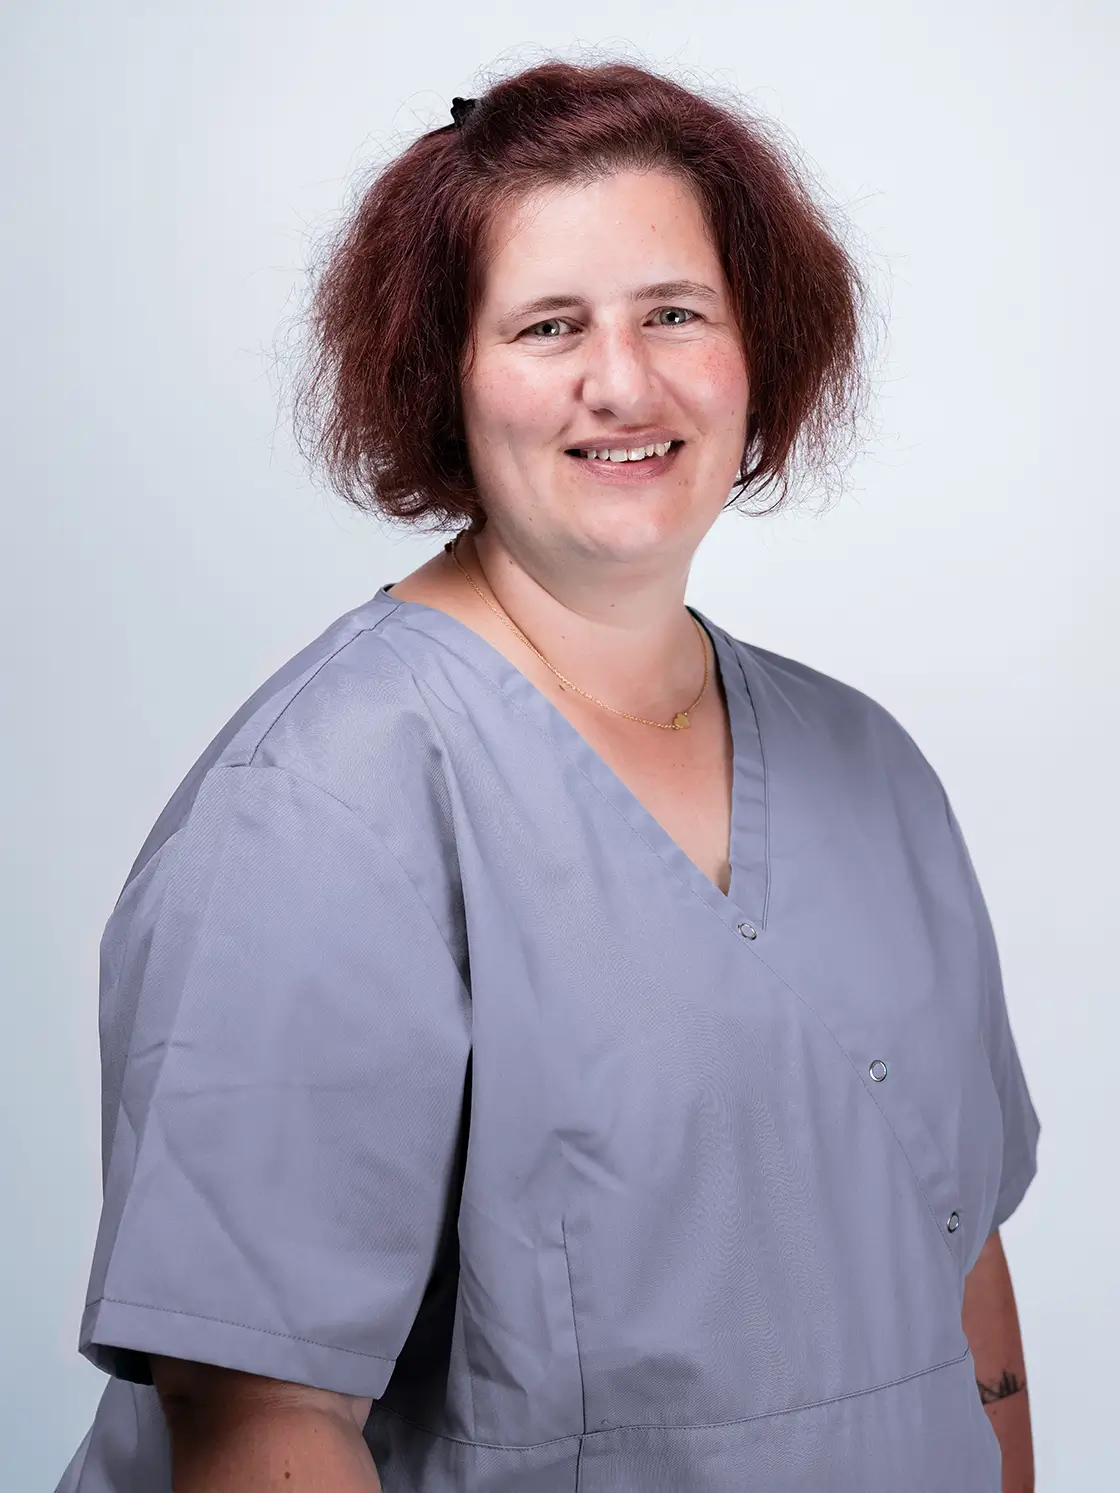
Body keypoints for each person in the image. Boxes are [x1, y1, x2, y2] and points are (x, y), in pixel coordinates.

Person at [53, 58, 1040, 1493]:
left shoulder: (871, 770)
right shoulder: (320, 810)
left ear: (758, 349)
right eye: (549, 325)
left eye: (675, 313)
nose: (622, 381)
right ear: (442, 380)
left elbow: (959, 1265)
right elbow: (264, 1418)